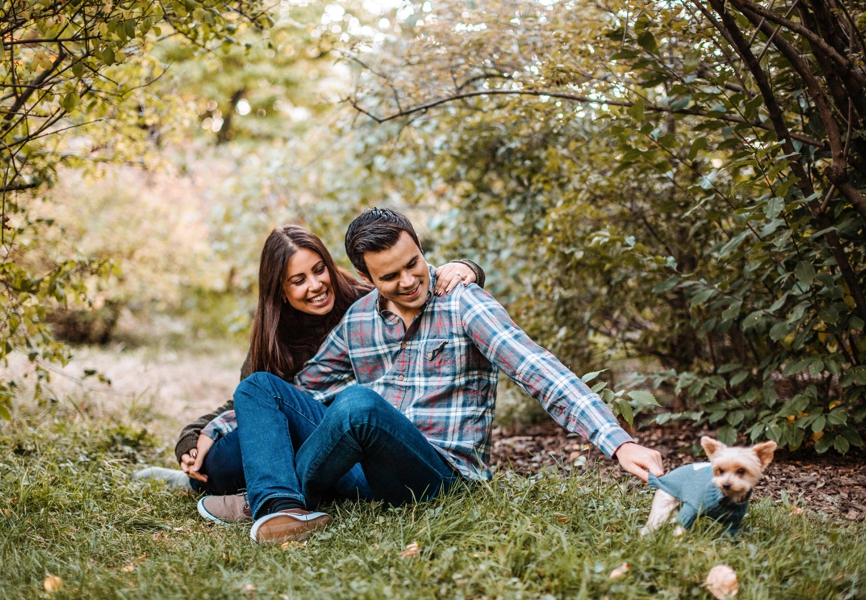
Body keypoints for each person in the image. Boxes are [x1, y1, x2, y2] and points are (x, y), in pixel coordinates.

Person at [201, 208, 664, 544]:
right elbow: (299, 391)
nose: (408, 281)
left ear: (421, 250)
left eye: (413, 264)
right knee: (259, 386)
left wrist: (618, 441)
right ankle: (280, 509)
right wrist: (214, 429)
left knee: (357, 405)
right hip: (369, 472)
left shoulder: (465, 303)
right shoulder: (359, 318)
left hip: (439, 472)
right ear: (364, 276)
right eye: (389, 276)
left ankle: (258, 498)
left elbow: (537, 369)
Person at [133, 224, 484, 509]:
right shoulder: (275, 336)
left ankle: (267, 493)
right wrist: (196, 433)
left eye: (319, 270)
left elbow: (412, 286)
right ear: (281, 291)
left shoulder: (365, 306)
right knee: (224, 459)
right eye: (299, 280)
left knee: (345, 417)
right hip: (298, 430)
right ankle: (223, 485)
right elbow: (252, 399)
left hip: (357, 436)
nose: (316, 286)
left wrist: (468, 269)